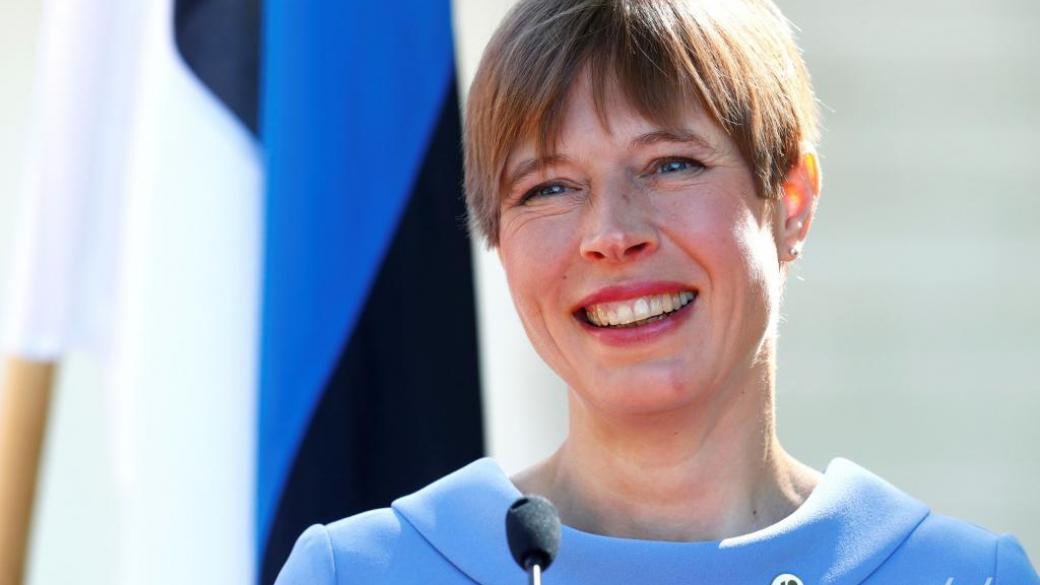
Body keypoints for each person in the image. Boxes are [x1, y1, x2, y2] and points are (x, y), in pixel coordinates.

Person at [275, 0, 1040, 583]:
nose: (611, 232)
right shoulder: (360, 572)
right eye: (549, 187)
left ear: (792, 200)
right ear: (496, 237)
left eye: (671, 164)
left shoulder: (967, 575)